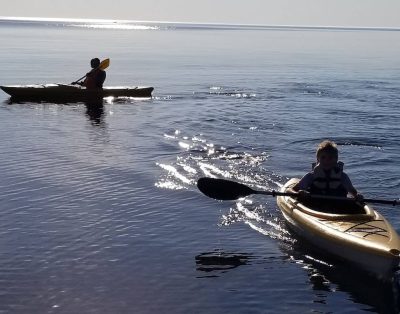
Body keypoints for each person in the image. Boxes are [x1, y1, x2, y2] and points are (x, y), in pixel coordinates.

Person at [288, 140, 363, 203]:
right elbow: (290, 190)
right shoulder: (311, 176)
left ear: (336, 159)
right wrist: (299, 193)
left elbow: (354, 192)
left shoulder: (343, 176)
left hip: (338, 207)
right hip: (314, 206)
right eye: (323, 157)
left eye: (330, 158)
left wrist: (358, 195)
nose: (327, 160)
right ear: (318, 159)